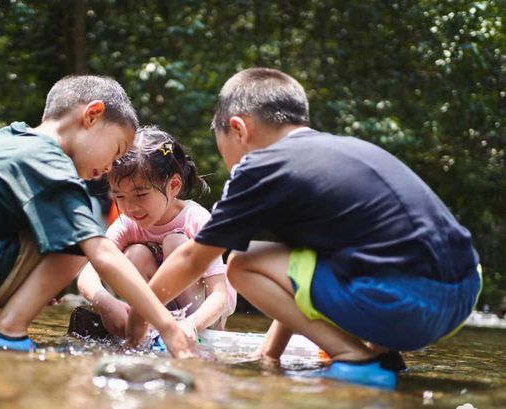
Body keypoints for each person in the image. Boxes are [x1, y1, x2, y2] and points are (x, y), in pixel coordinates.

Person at [125, 68, 482, 388]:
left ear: (238, 129)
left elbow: (193, 258)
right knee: (337, 256)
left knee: (242, 263)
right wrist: (270, 355)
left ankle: (353, 356)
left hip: (400, 301)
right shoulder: (342, 152)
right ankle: (383, 357)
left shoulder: (260, 166)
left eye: (222, 149)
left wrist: (140, 315)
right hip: (459, 295)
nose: (227, 162)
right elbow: (298, 279)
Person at [0, 75, 194, 357]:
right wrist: (168, 329)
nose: (108, 168)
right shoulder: (47, 161)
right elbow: (101, 254)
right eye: (115, 150)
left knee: (56, 225)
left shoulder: (10, 138)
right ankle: (8, 330)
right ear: (92, 115)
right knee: (81, 236)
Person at [77, 126, 236, 339]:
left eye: (141, 194)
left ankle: (183, 325)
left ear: (174, 186)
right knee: (134, 254)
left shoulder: (195, 219)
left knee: (176, 243)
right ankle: (150, 325)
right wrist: (106, 303)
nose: (131, 208)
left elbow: (219, 296)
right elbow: (88, 273)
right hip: (154, 314)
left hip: (200, 316)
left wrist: (192, 326)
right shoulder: (127, 223)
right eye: (120, 197)